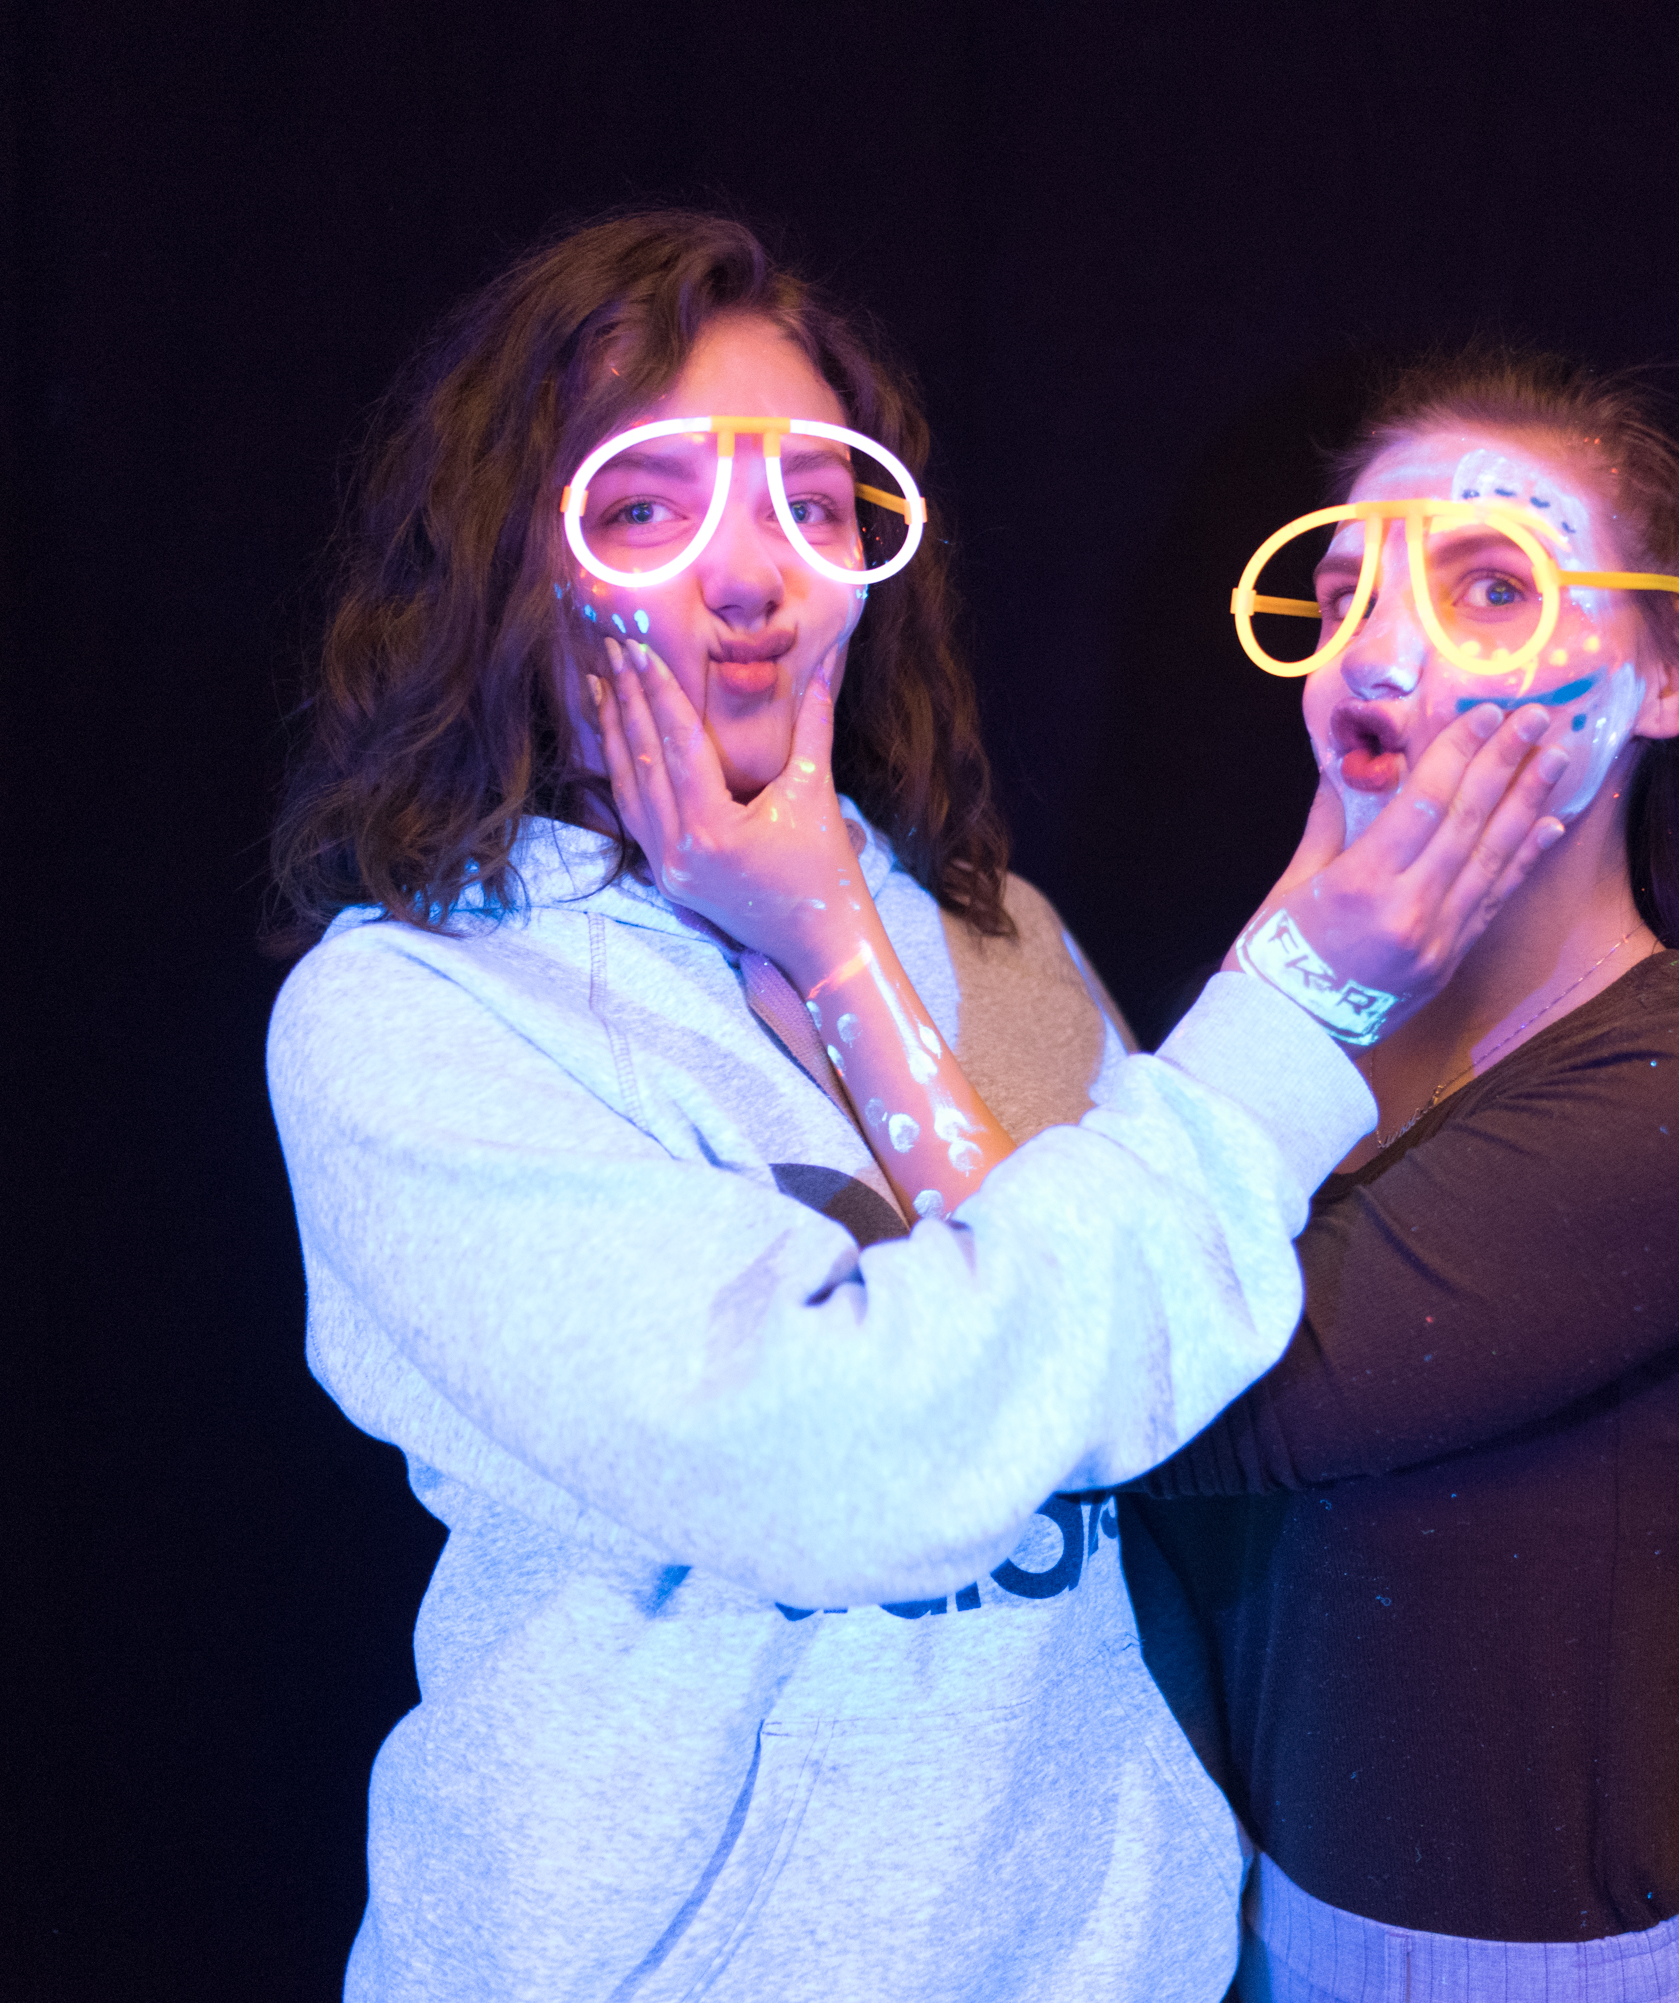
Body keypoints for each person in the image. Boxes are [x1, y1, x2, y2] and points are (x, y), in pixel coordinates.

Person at [263, 212, 1569, 2003]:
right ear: (505, 564)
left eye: (815, 504)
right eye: (642, 507)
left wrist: (839, 945)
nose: (754, 576)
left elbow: (1140, 1401)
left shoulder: (997, 937)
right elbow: (832, 1461)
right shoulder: (415, 1012)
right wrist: (1291, 1011)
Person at [1126, 350, 1679, 2002]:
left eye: (1490, 586)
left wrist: (832, 952)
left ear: (1674, 670)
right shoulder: (1287, 1059)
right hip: (1267, 1947)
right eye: (1346, 592)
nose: (1381, 652)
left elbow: (1137, 1390)